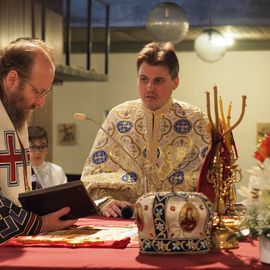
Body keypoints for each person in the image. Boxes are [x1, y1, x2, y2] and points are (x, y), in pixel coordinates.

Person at [81, 42, 211, 217]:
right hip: (122, 219)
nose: (149, 88)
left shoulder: (195, 120)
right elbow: (92, 175)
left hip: (178, 220)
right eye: (144, 79)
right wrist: (104, 201)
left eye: (158, 80)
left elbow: (211, 179)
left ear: (175, 82)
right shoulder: (118, 117)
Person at [0, 37, 76, 244]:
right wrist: (39, 223)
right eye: (37, 91)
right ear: (12, 79)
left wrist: (53, 209)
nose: (41, 102)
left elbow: (21, 178)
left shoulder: (13, 114)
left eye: (46, 93)